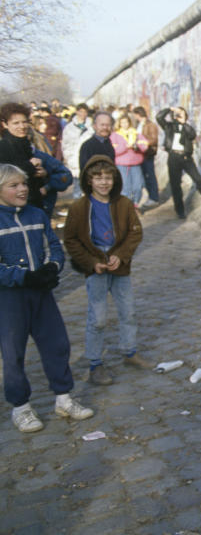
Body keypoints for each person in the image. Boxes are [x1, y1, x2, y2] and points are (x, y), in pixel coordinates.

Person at [0, 163, 94, 432]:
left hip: (41, 294)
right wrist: (23, 277)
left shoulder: (36, 214)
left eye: (24, 184)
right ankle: (21, 407)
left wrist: (53, 267)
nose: (22, 189)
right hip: (10, 299)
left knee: (56, 343)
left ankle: (63, 398)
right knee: (13, 352)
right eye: (13, 185)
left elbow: (53, 245)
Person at [63, 155, 148, 385]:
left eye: (108, 177)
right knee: (97, 318)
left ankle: (130, 351)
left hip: (119, 265)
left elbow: (135, 232)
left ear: (115, 179)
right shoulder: (80, 208)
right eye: (98, 178)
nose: (104, 182)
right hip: (96, 265)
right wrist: (91, 263)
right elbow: (70, 240)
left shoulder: (123, 204)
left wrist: (121, 256)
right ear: (89, 181)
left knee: (128, 310)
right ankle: (95, 364)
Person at [157, 106, 201, 218]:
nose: (178, 116)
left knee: (197, 177)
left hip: (186, 157)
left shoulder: (187, 128)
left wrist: (183, 123)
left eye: (181, 114)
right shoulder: (169, 126)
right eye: (177, 115)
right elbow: (159, 117)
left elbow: (192, 135)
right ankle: (180, 211)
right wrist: (170, 109)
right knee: (175, 185)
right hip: (173, 157)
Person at [111, 114, 147, 208]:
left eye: (126, 122)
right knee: (125, 187)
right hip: (122, 164)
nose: (125, 124)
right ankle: (126, 206)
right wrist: (125, 147)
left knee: (138, 186)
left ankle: (135, 203)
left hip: (135, 163)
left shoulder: (136, 134)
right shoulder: (115, 135)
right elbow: (113, 151)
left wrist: (136, 146)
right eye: (122, 122)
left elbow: (144, 146)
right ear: (119, 123)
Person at [62, 104, 93, 198]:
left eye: (85, 112)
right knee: (77, 185)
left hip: (88, 158)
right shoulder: (69, 127)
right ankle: (78, 206)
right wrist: (68, 157)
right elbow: (65, 144)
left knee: (89, 184)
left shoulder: (92, 127)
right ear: (77, 112)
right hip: (74, 159)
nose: (83, 114)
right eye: (81, 111)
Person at [132, 106, 160, 205]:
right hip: (140, 153)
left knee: (150, 175)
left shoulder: (150, 125)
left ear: (138, 114)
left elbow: (153, 139)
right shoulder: (138, 124)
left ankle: (154, 197)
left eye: (135, 115)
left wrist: (141, 142)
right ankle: (150, 195)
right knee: (143, 176)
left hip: (148, 153)